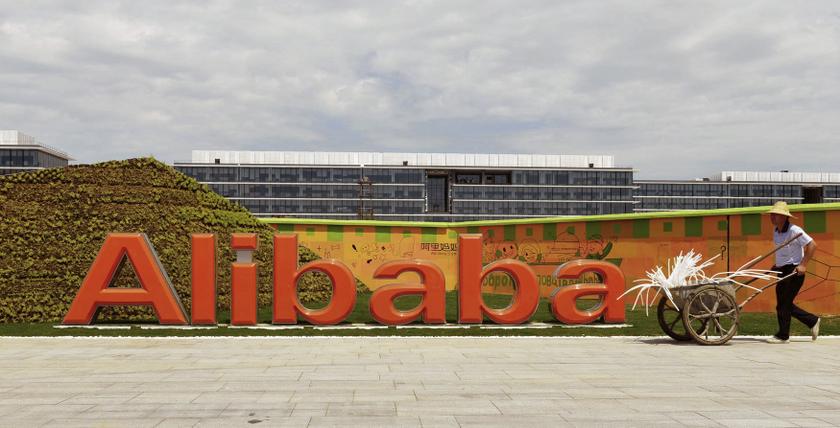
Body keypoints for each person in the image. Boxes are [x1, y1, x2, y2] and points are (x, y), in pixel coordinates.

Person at [765, 201, 820, 344]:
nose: (772, 217)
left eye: (775, 215)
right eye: (771, 215)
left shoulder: (794, 230)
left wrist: (803, 264)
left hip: (794, 271)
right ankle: (812, 321)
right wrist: (775, 266)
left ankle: (783, 336)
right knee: (782, 304)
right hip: (782, 270)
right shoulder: (776, 231)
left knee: (785, 304)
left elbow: (812, 245)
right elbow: (782, 253)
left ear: (783, 217)